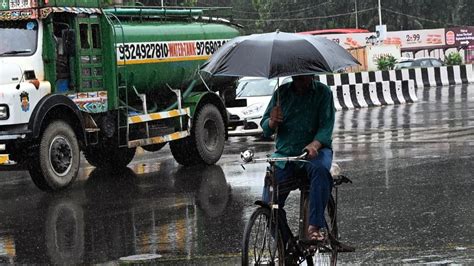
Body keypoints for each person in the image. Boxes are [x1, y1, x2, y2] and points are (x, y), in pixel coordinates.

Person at [260, 74, 335, 245]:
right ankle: (287, 245)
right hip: (286, 155)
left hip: (316, 152)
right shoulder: (281, 93)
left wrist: (315, 144)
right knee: (268, 205)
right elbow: (265, 128)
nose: (299, 79)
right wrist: (272, 122)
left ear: (311, 74)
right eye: (296, 77)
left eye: (303, 76)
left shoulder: (323, 93)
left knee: (320, 170)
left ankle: (314, 226)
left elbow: (326, 127)